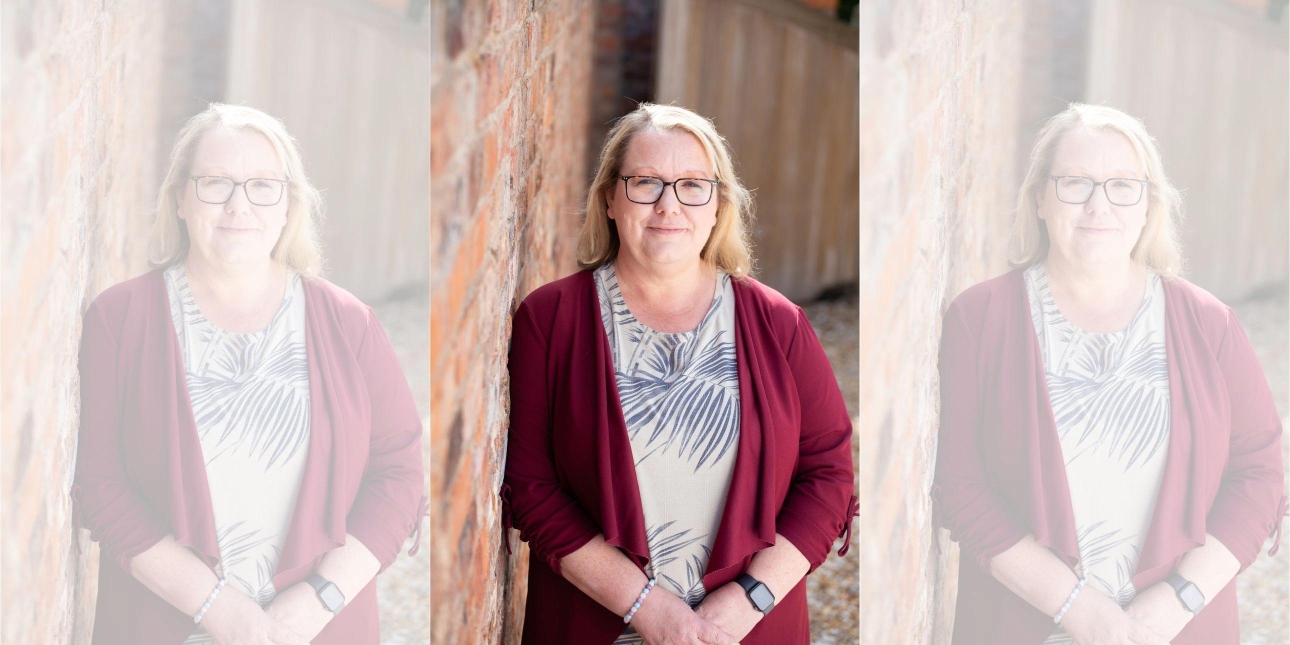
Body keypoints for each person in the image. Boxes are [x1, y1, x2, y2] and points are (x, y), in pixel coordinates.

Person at [499, 103, 858, 645]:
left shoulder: (779, 324)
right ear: (610, 199)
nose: (669, 205)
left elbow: (828, 474)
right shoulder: (550, 320)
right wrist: (647, 608)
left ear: (718, 207)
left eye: (693, 185)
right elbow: (531, 487)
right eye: (645, 182)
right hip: (595, 627)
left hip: (745, 631)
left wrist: (749, 601)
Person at [71, 103, 427, 645]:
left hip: (318, 631)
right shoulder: (120, 320)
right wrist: (218, 609)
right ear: (180, 199)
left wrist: (313, 605)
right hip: (163, 627)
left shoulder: (349, 325)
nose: (240, 205)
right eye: (215, 183)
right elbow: (100, 486)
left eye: (263, 185)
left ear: (288, 206)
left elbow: (398, 475)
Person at [932, 103, 1288, 645]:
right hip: (1023, 627)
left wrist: (1174, 605)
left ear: (1148, 206)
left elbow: (1259, 474)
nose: (1099, 205)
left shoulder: (1209, 324)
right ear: (1040, 199)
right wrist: (1080, 611)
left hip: (1179, 630)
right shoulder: (980, 320)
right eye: (1075, 182)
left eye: (1123, 185)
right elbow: (960, 485)